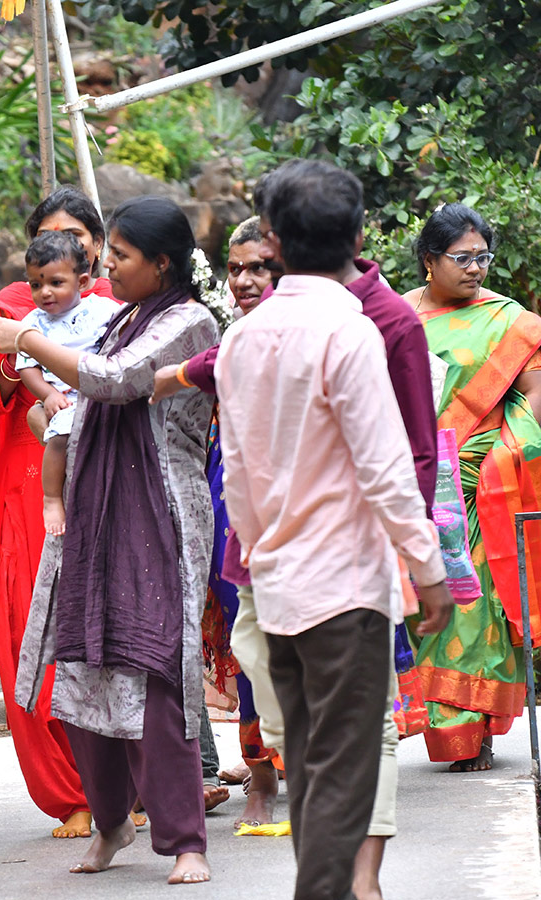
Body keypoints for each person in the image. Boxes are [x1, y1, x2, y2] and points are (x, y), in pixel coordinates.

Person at [214, 159, 454, 900]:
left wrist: (259, 550)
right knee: (345, 771)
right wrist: (430, 569)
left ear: (276, 243)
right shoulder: (349, 334)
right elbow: (386, 468)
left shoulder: (242, 341)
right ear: (357, 236)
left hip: (280, 583)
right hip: (345, 589)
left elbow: (238, 476)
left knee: (315, 765)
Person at [0, 195, 220, 883]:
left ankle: (186, 841)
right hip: (99, 511)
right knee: (86, 665)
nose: (106, 265)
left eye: (118, 255)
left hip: (160, 513)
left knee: (156, 670)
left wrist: (27, 342)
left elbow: (120, 382)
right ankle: (113, 820)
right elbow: (79, 399)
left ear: (161, 263)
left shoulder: (190, 321)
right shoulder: (122, 316)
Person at [0, 187, 115, 840]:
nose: (65, 245)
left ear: (95, 248)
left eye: (77, 235)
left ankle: (126, 784)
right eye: (50, 234)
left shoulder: (117, 308)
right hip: (29, 493)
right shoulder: (12, 306)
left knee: (111, 640)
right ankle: (71, 794)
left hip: (111, 493)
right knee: (36, 637)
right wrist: (19, 366)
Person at [404, 202, 541, 771]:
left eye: (483, 256)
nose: (477, 268)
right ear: (429, 260)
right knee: (424, 606)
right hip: (410, 476)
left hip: (482, 481)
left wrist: (506, 453)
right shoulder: (396, 315)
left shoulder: (511, 321)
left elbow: (535, 397)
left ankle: (475, 731)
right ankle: (444, 724)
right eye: (463, 258)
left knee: (474, 601)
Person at [193, 217, 285, 825]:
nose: (245, 280)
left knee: (296, 641)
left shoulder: (312, 335)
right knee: (247, 639)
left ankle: (314, 770)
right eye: (235, 268)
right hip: (230, 502)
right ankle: (261, 775)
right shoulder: (227, 340)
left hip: (297, 506)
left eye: (260, 267)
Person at [14, 231, 119, 535]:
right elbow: (27, 368)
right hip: (64, 400)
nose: (45, 292)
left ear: (82, 282)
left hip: (99, 392)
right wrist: (47, 394)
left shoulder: (102, 310)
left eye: (55, 283)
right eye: (36, 284)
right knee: (59, 436)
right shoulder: (32, 323)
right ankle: (51, 498)